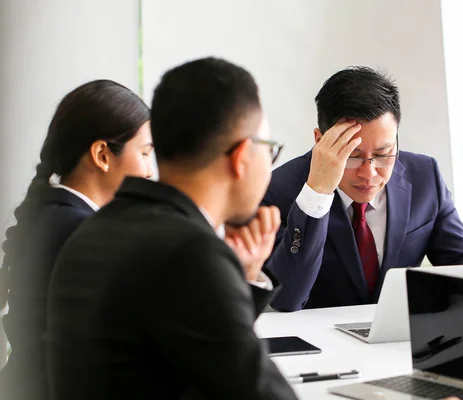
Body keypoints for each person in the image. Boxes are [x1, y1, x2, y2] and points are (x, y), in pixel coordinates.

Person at [45, 58, 297, 400]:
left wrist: (242, 276)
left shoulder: (99, 227)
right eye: (270, 151)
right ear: (241, 157)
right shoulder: (189, 252)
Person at [262, 67, 463, 311]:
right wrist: (317, 192)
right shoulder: (279, 189)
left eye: (382, 154)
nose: (368, 173)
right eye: (352, 155)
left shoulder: (424, 176)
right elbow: (286, 300)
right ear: (320, 142)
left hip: (401, 339)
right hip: (323, 345)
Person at [0, 80, 153, 400]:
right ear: (102, 155)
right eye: (144, 153)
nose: (150, 171)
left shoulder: (55, 216)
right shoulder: (81, 233)